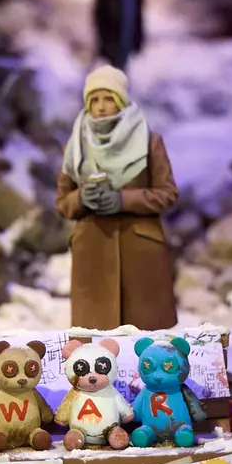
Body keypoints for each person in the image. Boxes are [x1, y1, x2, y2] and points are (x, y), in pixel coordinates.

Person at [55, 65, 178, 331]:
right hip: (93, 252)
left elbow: (167, 193)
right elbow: (63, 202)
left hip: (140, 251)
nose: (101, 107)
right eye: (94, 100)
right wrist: (82, 199)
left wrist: (124, 200)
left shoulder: (148, 142)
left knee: (146, 338)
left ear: (121, 101)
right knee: (96, 339)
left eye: (109, 98)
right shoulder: (75, 147)